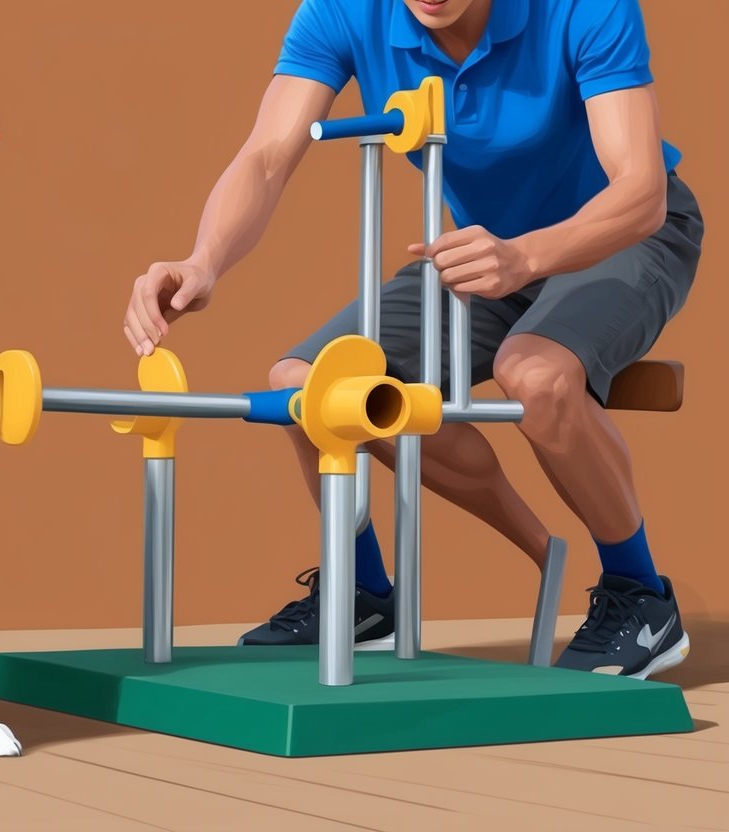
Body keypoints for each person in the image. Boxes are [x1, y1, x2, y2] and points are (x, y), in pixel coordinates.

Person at [121, 0, 702, 679]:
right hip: (481, 249)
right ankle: (367, 598)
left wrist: (525, 257)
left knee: (535, 376)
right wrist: (203, 260)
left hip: (619, 235)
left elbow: (639, 192)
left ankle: (641, 597)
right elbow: (266, 157)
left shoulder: (583, 8)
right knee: (310, 385)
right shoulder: (341, 12)